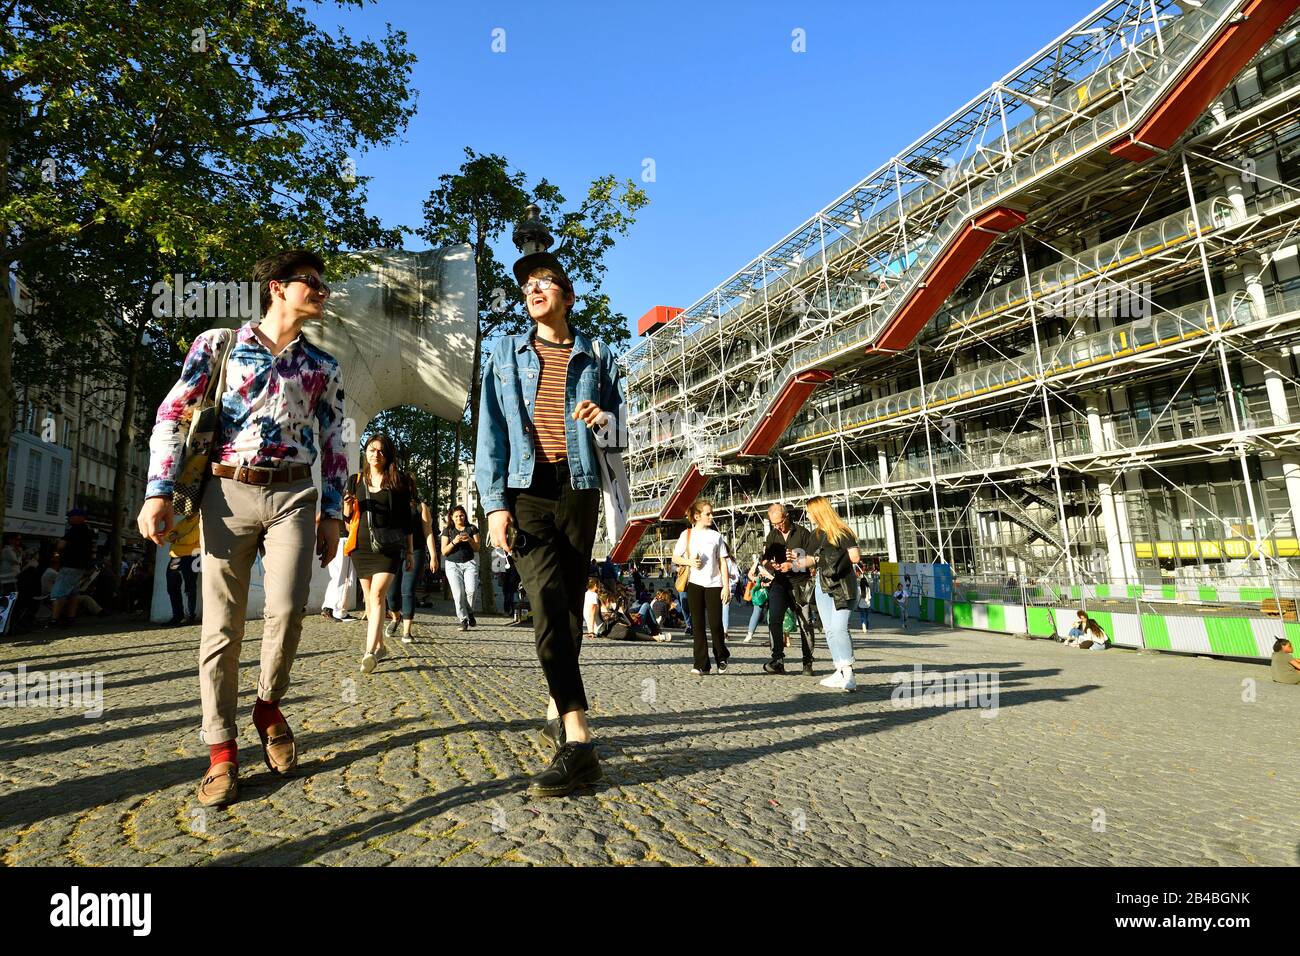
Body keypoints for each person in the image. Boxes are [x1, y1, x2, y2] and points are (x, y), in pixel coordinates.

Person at [138, 248, 345, 809]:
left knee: (285, 610)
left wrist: (334, 514)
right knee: (221, 626)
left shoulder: (324, 367)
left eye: (324, 286)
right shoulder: (218, 345)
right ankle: (221, 751)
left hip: (296, 495)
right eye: (312, 284)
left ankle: (267, 704)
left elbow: (334, 445)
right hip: (224, 493)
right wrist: (159, 492)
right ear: (277, 287)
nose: (322, 292)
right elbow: (172, 415)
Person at [476, 242, 623, 797]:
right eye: (527, 284)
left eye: (545, 281)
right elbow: (489, 433)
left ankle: (561, 699)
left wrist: (604, 418)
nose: (533, 290)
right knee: (543, 604)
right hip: (525, 489)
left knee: (564, 605)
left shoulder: (599, 355)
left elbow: (620, 434)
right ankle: (579, 739)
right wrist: (494, 504)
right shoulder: (505, 355)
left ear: (568, 295)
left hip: (578, 489)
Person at [344, 433, 416, 674]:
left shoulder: (398, 481)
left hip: (389, 547)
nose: (376, 454)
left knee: (376, 596)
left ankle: (368, 653)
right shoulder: (355, 480)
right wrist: (346, 507)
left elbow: (406, 520)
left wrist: (409, 552)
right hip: (361, 547)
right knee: (370, 600)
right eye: (372, 449)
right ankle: (381, 646)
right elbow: (347, 519)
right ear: (366, 452)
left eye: (381, 451)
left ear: (387, 456)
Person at [803, 495, 861, 690]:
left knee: (839, 628)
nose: (807, 514)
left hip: (843, 584)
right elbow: (810, 560)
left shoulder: (842, 532)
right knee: (829, 630)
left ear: (818, 511)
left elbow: (854, 556)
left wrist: (833, 561)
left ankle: (849, 673)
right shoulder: (815, 535)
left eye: (809, 511)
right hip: (822, 585)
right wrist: (793, 563)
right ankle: (840, 670)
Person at [760, 502, 817, 675]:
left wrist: (792, 564)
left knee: (805, 623)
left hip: (800, 583)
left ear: (786, 516)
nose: (777, 526)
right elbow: (764, 560)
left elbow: (813, 560)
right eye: (773, 523)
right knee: (774, 619)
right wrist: (770, 565)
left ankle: (807, 662)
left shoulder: (802, 533)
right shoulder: (772, 535)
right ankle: (777, 659)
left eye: (779, 522)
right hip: (779, 583)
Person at [387, 492, 438, 644]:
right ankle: (396, 617)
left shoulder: (421, 507)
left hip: (416, 551)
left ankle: (407, 631)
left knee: (408, 590)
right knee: (391, 594)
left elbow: (428, 532)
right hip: (395, 551)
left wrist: (434, 556)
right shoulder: (392, 503)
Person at [52, 508, 95, 625]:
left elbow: (61, 546)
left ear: (79, 518)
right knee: (73, 593)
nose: (69, 519)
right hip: (80, 566)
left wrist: (56, 550)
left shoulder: (73, 530)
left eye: (71, 517)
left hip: (69, 565)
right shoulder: (88, 531)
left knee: (59, 593)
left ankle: (54, 619)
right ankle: (71, 617)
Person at [441, 505, 480, 631]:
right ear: (452, 517)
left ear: (465, 515)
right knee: (458, 594)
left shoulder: (472, 528)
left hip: (469, 563)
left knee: (471, 591)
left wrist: (469, 539)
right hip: (452, 565)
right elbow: (444, 552)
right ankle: (463, 619)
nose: (459, 518)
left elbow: (477, 548)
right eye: (456, 516)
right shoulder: (448, 530)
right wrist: (454, 542)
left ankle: (470, 611)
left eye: (461, 515)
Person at [165, 519, 201, 626]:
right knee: (172, 587)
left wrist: (176, 538)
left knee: (190, 587)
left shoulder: (200, 521)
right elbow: (168, 535)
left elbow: (191, 539)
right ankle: (177, 615)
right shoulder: (182, 522)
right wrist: (177, 536)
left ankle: (190, 616)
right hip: (176, 557)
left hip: (192, 556)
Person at [855, 561, 871, 634]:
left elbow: (858, 597)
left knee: (862, 616)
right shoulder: (868, 588)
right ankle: (866, 623)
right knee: (867, 616)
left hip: (861, 604)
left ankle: (863, 626)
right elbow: (870, 597)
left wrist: (857, 604)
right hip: (867, 603)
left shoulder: (859, 588)